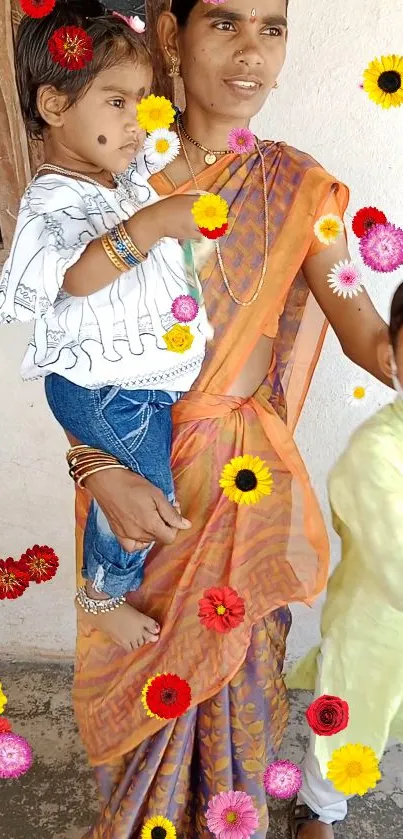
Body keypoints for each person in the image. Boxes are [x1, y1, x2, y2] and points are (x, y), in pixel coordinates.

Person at [19, 0, 393, 835]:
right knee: (138, 676)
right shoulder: (113, 168)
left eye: (272, 27)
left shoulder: (300, 186)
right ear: (169, 32)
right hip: (129, 476)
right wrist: (96, 466)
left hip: (239, 491)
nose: (252, 52)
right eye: (225, 23)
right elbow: (61, 337)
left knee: (238, 684)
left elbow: (362, 323)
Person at [0, 0, 215, 651]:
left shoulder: (114, 183)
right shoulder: (54, 197)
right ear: (55, 107)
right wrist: (150, 225)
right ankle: (102, 594)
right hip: (105, 390)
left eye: (142, 100)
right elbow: (76, 276)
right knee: (148, 513)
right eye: (116, 102)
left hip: (130, 385)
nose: (134, 121)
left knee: (149, 504)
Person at [288, 280, 403, 838]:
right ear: (392, 359)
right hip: (375, 626)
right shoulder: (374, 453)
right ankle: (317, 808)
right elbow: (395, 563)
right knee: (350, 723)